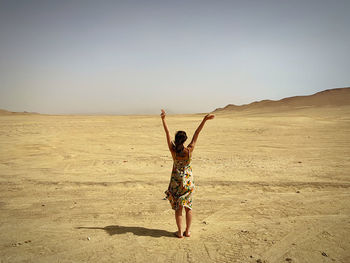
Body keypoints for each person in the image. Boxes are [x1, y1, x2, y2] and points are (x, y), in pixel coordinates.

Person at [160, 109, 215, 238]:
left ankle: (179, 232)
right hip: (188, 182)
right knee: (188, 207)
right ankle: (188, 231)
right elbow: (197, 133)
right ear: (185, 140)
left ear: (176, 140)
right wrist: (204, 120)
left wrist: (163, 119)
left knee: (178, 208)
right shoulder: (189, 150)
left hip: (176, 183)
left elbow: (167, 133)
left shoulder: (173, 150)